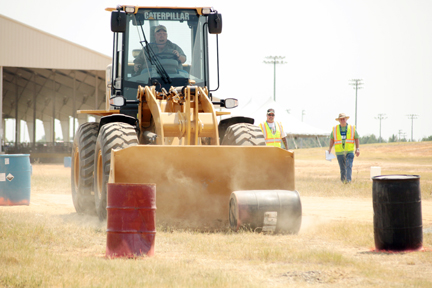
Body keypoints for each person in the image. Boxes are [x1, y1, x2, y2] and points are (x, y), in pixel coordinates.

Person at [328, 113, 360, 183]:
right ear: (339, 120)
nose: (342, 120)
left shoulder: (352, 128)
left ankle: (348, 181)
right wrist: (330, 148)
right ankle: (343, 182)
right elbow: (332, 139)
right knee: (342, 168)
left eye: (343, 119)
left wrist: (357, 149)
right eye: (341, 119)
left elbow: (356, 138)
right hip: (339, 152)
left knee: (348, 166)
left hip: (350, 151)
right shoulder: (335, 129)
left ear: (346, 119)